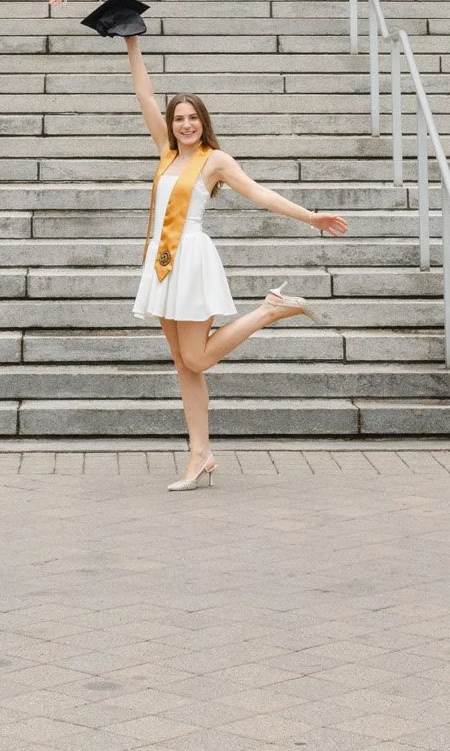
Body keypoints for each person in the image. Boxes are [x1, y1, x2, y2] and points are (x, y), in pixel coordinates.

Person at [123, 31, 349, 491]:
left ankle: (269, 310)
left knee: (196, 358)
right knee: (184, 366)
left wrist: (310, 217)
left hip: (191, 258)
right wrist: (132, 43)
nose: (185, 124)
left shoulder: (215, 161)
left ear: (204, 122)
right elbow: (144, 94)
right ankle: (200, 454)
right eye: (178, 118)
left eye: (193, 118)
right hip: (162, 260)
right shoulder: (166, 151)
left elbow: (259, 194)